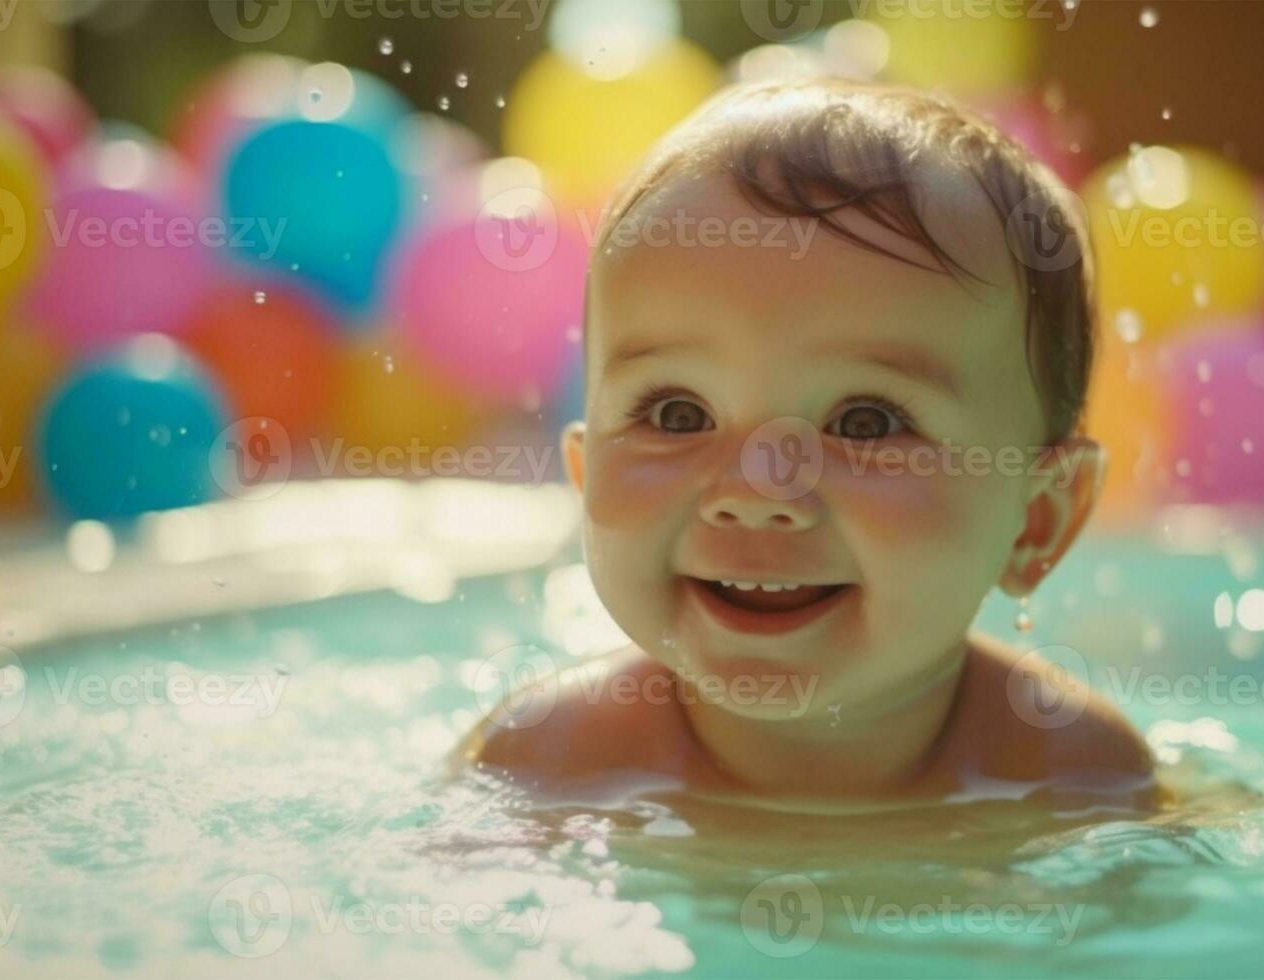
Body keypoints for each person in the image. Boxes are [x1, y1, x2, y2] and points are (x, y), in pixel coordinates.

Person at [461, 78, 1154, 807]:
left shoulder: (1076, 776)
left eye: (865, 424)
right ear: (584, 473)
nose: (754, 494)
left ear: (1036, 520)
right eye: (676, 414)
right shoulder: (548, 764)